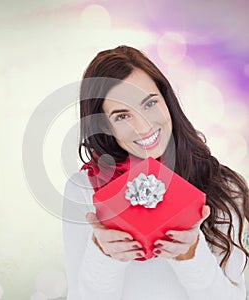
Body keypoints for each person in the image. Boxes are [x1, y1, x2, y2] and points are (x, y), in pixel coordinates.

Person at [62, 45, 249, 300]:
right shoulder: (83, 190)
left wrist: (191, 255)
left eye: (149, 103)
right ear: (104, 126)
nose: (144, 126)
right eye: (122, 116)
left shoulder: (224, 187)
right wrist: (105, 256)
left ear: (166, 99)